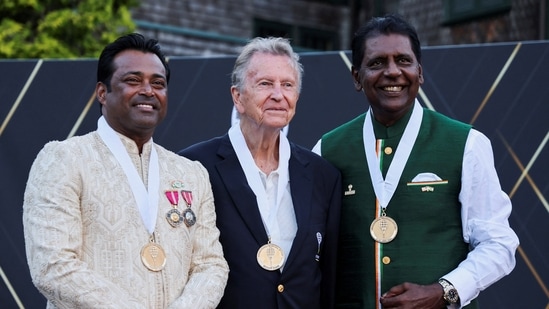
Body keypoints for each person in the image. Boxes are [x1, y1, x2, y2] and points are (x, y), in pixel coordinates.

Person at [312, 14, 519, 309]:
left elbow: (499, 245)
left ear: (419, 72)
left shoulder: (466, 144)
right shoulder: (327, 149)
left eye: (403, 61)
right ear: (357, 77)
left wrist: (443, 291)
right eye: (377, 63)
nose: (392, 72)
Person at [23, 33, 228, 308]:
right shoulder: (63, 159)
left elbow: (211, 265)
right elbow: (53, 266)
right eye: (133, 80)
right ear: (102, 92)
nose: (148, 90)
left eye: (158, 83)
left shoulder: (191, 173)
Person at [179, 37, 342, 309]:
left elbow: (329, 278)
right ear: (238, 97)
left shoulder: (322, 175)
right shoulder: (193, 166)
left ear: (296, 98)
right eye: (265, 84)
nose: (278, 95)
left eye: (287, 85)